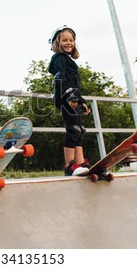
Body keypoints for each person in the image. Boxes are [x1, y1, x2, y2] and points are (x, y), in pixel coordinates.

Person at [47, 25, 91, 176]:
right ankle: (69, 166)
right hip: (65, 97)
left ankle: (80, 164)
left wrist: (81, 101)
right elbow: (61, 78)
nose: (68, 43)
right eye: (64, 40)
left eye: (71, 40)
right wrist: (71, 96)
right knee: (73, 130)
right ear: (57, 43)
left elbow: (74, 84)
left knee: (80, 131)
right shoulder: (59, 59)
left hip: (72, 97)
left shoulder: (69, 60)